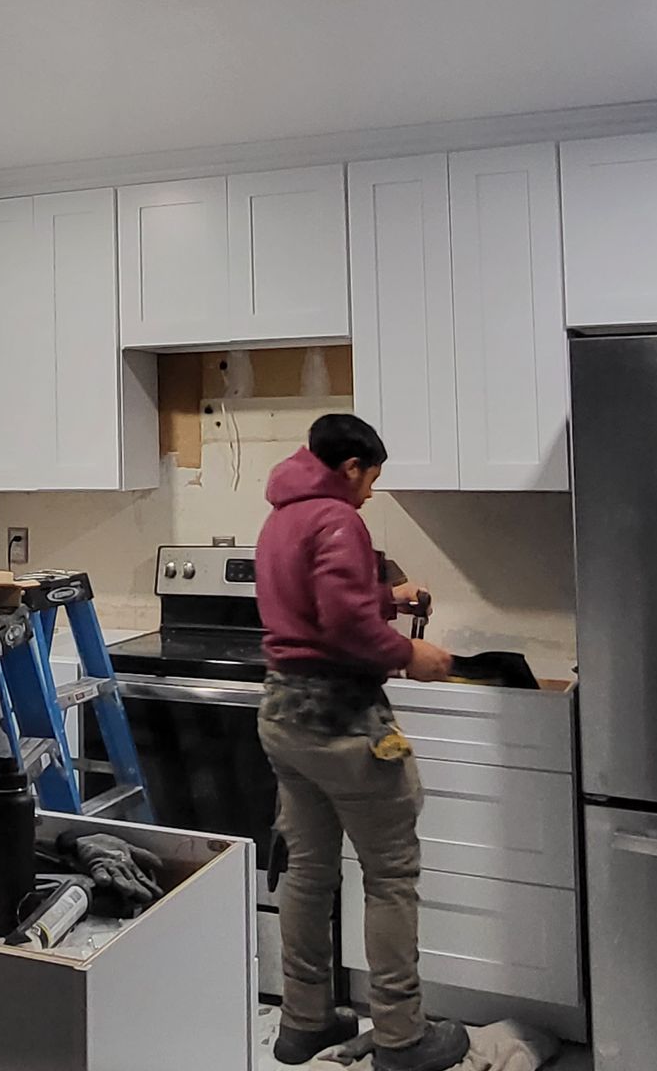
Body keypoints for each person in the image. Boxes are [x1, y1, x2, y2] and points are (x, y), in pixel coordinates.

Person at [256, 413, 468, 1071]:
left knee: (309, 874)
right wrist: (411, 654)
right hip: (344, 723)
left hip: (283, 716)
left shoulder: (280, 517)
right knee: (391, 877)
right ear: (350, 468)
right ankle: (403, 1037)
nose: (371, 492)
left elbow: (324, 601)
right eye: (371, 478)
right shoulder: (340, 519)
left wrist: (386, 594)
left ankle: (304, 1022)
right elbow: (343, 625)